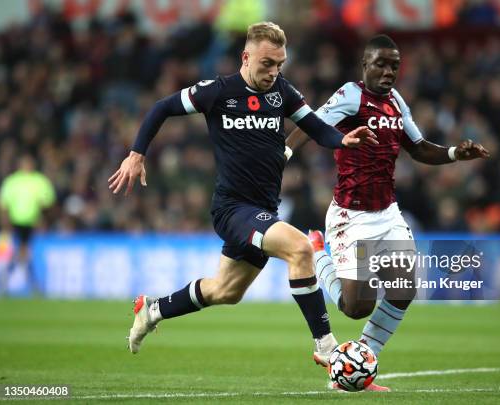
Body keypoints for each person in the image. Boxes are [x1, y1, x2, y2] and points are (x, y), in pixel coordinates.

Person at [108, 22, 378, 368]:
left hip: (263, 208)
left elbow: (315, 128)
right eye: (267, 63)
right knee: (300, 249)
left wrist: (343, 140)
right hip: (232, 209)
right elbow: (162, 107)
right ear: (246, 57)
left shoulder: (282, 92)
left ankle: (153, 309)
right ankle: (326, 346)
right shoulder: (218, 92)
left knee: (226, 291)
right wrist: (136, 154)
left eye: (280, 64)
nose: (274, 72)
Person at [286, 34, 490, 391]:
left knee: (403, 288)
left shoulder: (396, 101)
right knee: (355, 307)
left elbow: (420, 148)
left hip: (388, 212)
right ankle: (318, 253)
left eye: (394, 65)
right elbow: (312, 124)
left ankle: (359, 363)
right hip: (352, 215)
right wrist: (282, 156)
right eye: (380, 63)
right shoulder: (351, 95)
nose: (388, 71)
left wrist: (457, 153)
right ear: (365, 65)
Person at [0, 153, 56, 294]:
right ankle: (32, 283)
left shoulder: (39, 181)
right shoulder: (12, 181)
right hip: (14, 222)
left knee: (24, 252)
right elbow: (3, 203)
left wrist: (43, 219)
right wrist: (5, 222)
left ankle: (8, 278)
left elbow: (48, 202)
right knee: (24, 252)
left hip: (31, 222)